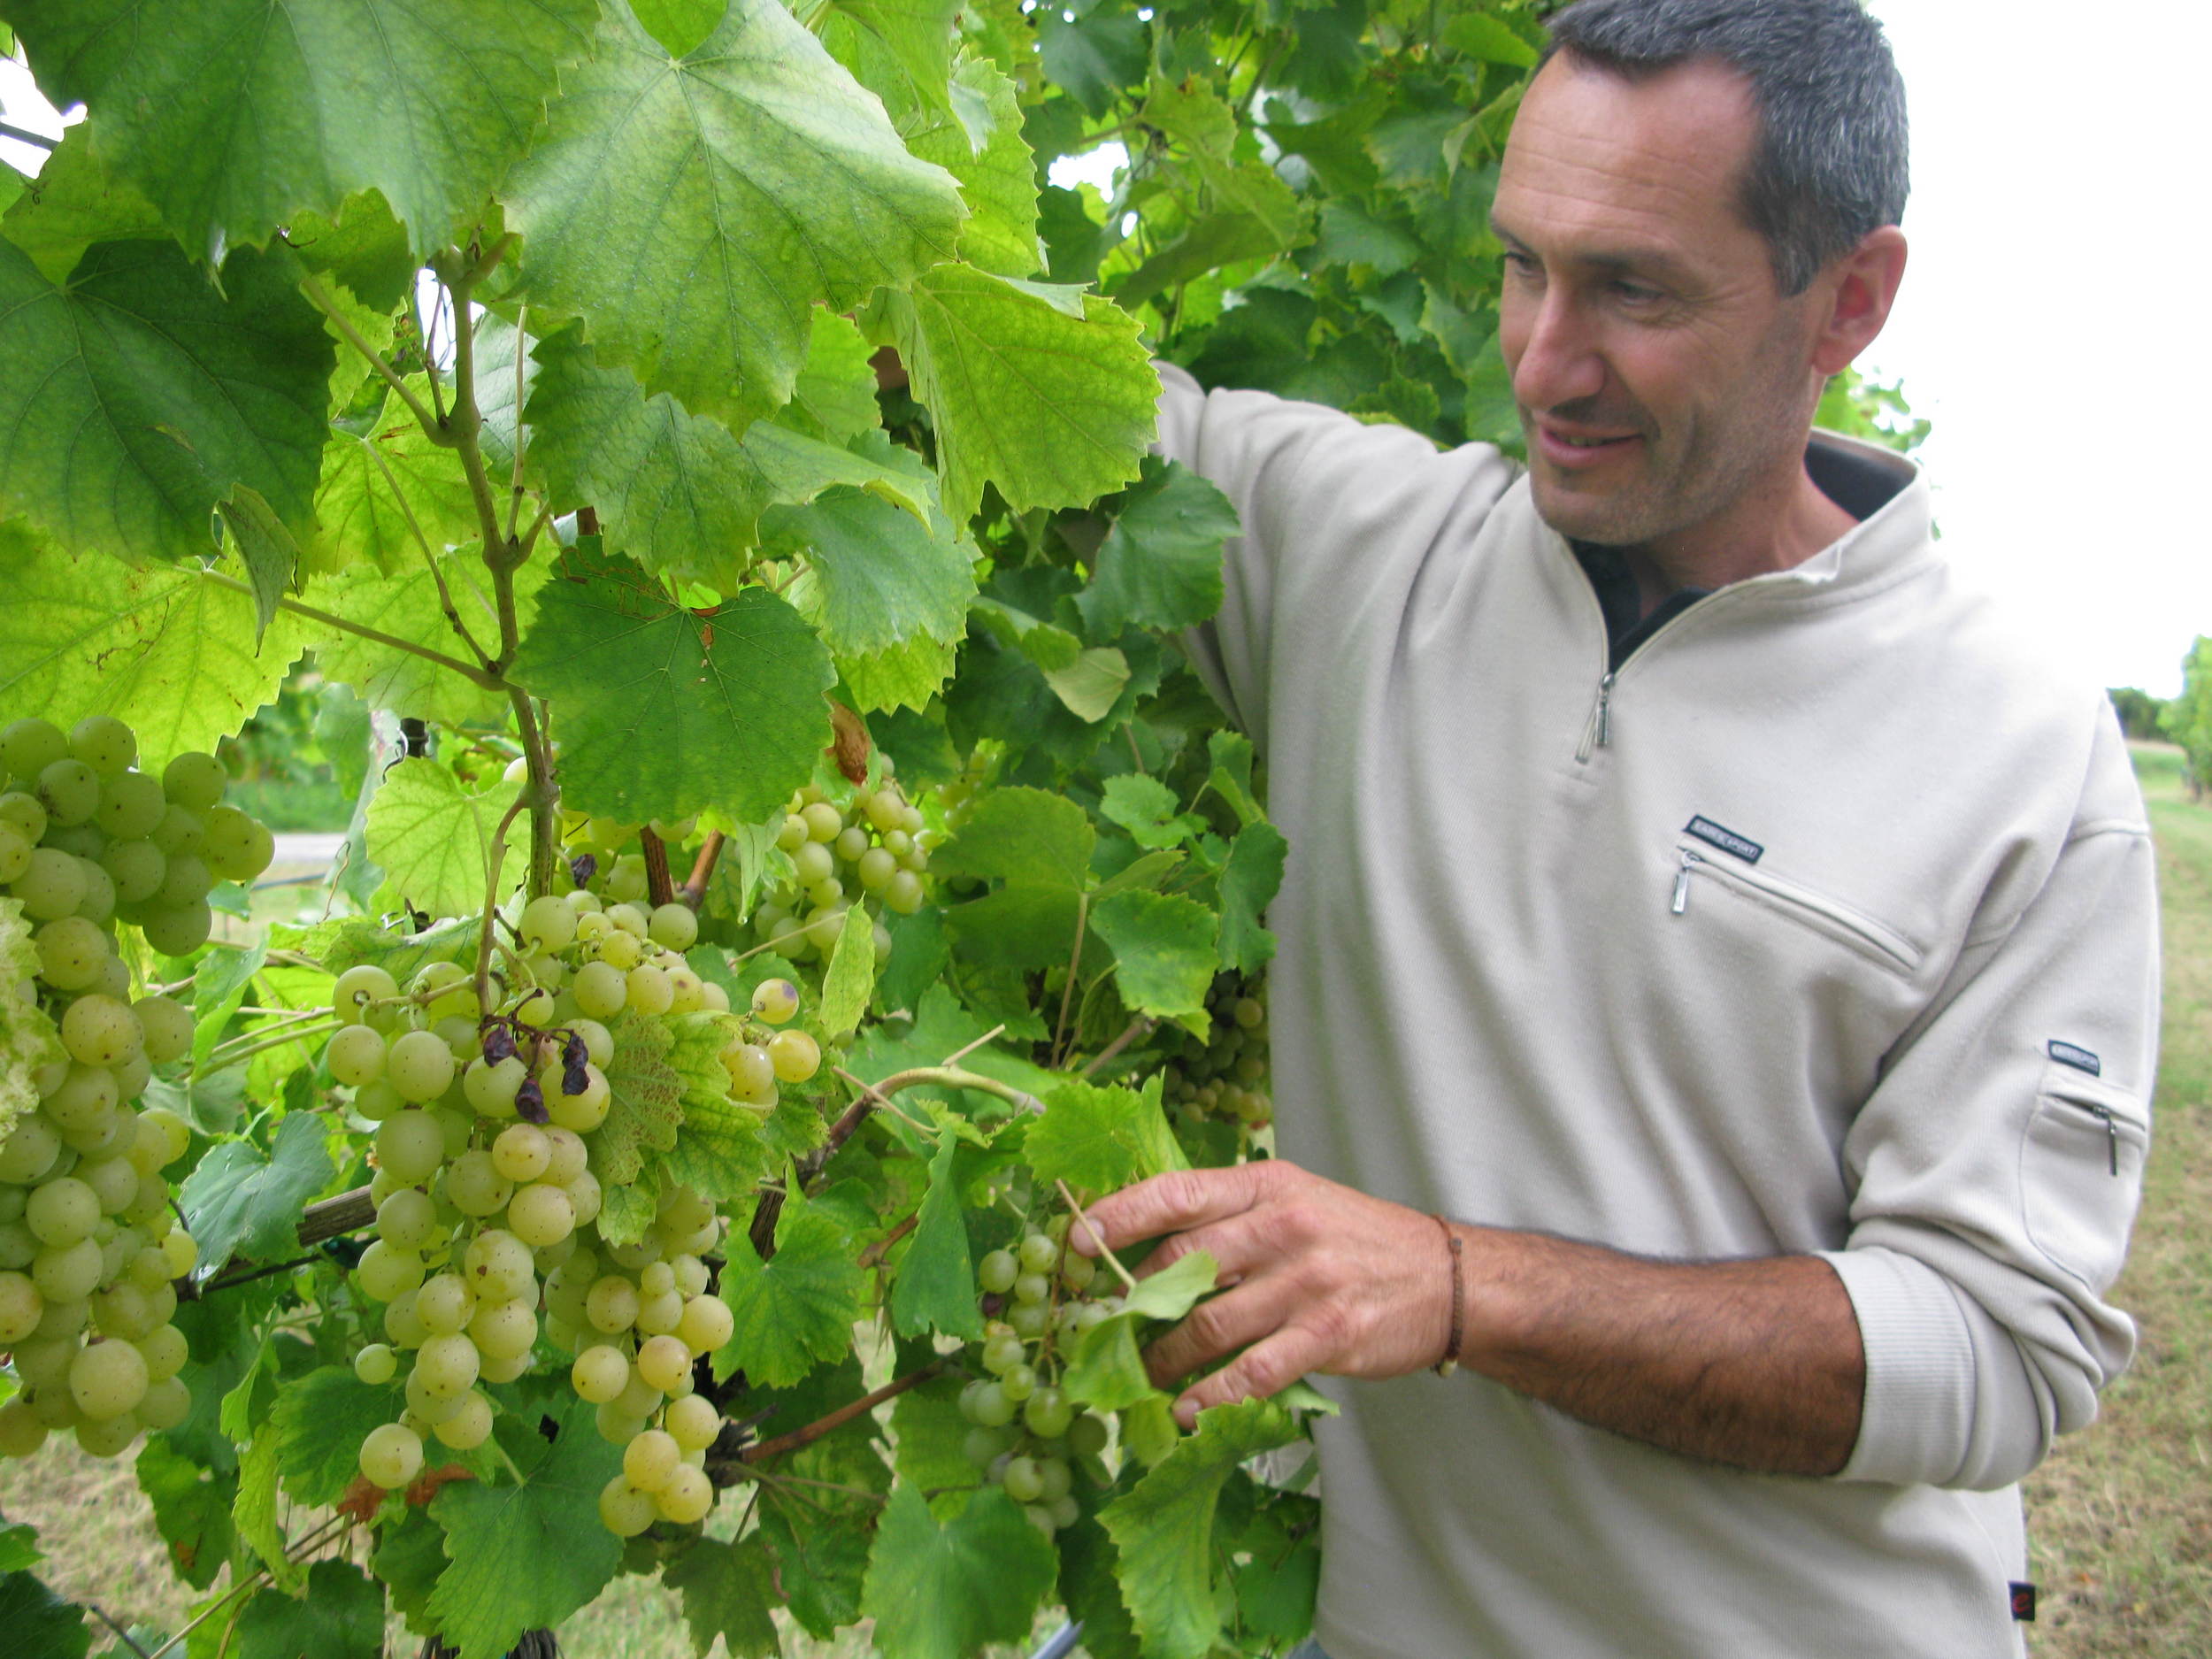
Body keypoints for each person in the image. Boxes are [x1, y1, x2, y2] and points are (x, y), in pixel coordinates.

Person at [1071, 2, 2160, 1655]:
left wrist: (1457, 1285)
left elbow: (1995, 1348)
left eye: (1635, 289)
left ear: (1848, 300)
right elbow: (1018, 390)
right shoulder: (1360, 552)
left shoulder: (2017, 754)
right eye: (1525, 264)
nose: (1540, 359)